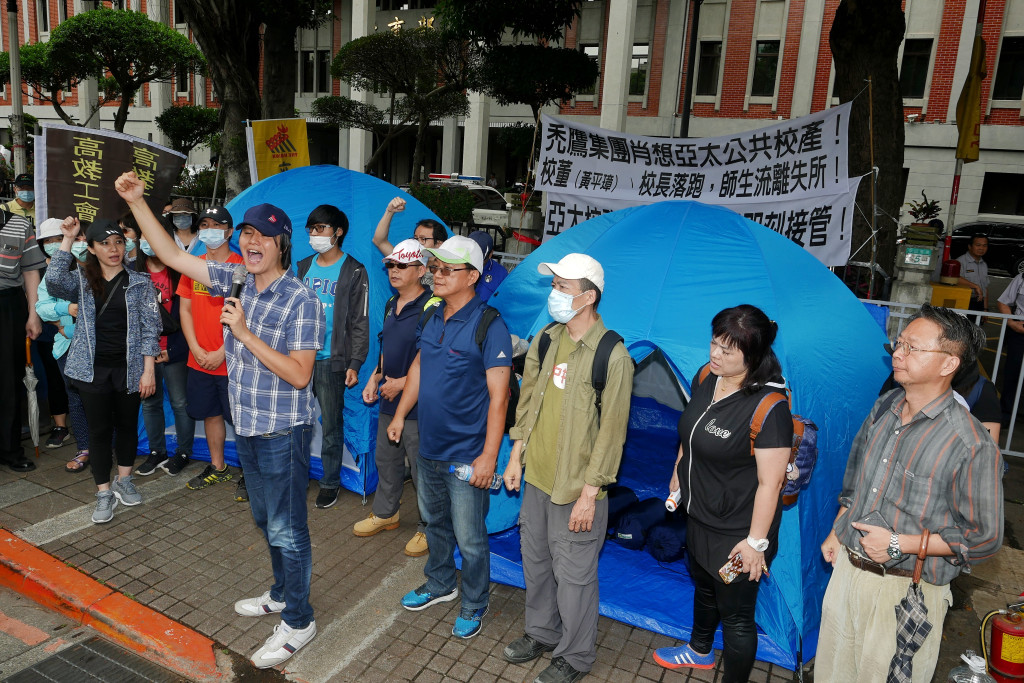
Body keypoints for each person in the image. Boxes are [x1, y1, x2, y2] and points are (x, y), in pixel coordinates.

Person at [116, 171, 324, 668]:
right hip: (247, 428)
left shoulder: (302, 299)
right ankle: (280, 593)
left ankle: (299, 619)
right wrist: (139, 202)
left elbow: (299, 374)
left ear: (282, 245)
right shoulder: (234, 279)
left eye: (262, 236)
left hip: (283, 430)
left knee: (287, 528)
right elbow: (170, 255)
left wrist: (246, 334)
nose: (251, 243)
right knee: (263, 519)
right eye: (246, 234)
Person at [816, 305, 1003, 683]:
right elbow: (856, 480)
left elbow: (985, 538)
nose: (897, 353)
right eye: (898, 343)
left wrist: (903, 543)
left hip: (905, 592)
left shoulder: (970, 443)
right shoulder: (885, 406)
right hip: (847, 574)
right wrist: (838, 528)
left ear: (948, 363)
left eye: (912, 347)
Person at [501, 253, 633, 683]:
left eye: (563, 288)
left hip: (577, 488)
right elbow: (529, 401)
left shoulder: (612, 356)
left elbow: (612, 434)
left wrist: (590, 496)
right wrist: (515, 455)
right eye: (554, 285)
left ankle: (575, 655)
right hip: (537, 476)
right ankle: (541, 632)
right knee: (535, 560)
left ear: (588, 297)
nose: (555, 294)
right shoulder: (546, 338)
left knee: (574, 575)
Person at [652, 305, 792, 682]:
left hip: (739, 532)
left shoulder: (768, 407)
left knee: (737, 616)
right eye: (714, 342)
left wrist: (756, 543)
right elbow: (691, 430)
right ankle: (699, 652)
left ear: (754, 355)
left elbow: (771, 483)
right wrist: (678, 472)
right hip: (699, 516)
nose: (715, 354)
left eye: (728, 350)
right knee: (704, 585)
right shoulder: (706, 376)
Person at [387, 235, 512, 640]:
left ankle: (475, 602)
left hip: (467, 455)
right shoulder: (431, 314)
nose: (436, 275)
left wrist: (489, 457)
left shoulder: (490, 324)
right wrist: (402, 415)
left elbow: (500, 396)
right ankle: (440, 584)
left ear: (472, 276)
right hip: (429, 446)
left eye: (446, 269)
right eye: (435, 268)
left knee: (471, 538)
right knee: (433, 522)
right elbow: (420, 367)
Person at [45, 217, 160, 523]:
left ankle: (124, 480)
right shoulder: (81, 281)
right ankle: (103, 492)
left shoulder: (140, 282)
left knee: (126, 426)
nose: (113, 249)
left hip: (129, 368)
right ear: (92, 248)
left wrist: (148, 370)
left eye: (119, 242)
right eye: (105, 243)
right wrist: (68, 240)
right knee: (98, 432)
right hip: (91, 370)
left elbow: (151, 329)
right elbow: (54, 280)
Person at [358, 239, 434, 556]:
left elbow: (434, 358)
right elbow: (386, 347)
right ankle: (386, 513)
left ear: (421, 270)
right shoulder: (392, 303)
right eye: (391, 265)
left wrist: (403, 383)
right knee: (386, 461)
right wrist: (375, 377)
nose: (394, 270)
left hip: (419, 406)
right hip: (389, 398)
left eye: (402, 265)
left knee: (422, 471)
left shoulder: (433, 308)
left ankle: (429, 528)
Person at [296, 205, 369, 509]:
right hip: (299, 356)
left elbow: (360, 321)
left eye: (322, 228)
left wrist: (354, 363)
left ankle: (329, 482)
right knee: (295, 422)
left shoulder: (354, 270)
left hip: (330, 360)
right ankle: (296, 476)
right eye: (312, 229)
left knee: (331, 425)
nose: (315, 235)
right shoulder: (301, 267)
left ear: (338, 232)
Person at [175, 206, 243, 492]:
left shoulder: (244, 267)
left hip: (235, 360)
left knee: (241, 420)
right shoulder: (193, 265)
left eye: (217, 225)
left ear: (229, 231)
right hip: (199, 359)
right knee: (211, 414)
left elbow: (249, 317)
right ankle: (218, 467)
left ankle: (251, 475)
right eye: (204, 224)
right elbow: (186, 309)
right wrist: (195, 348)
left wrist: (222, 352)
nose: (210, 230)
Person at [132, 217, 196, 478]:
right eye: (144, 237)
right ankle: (156, 451)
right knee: (149, 403)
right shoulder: (133, 273)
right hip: (145, 352)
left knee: (181, 403)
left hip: (174, 350)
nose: (148, 242)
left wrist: (176, 349)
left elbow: (188, 316)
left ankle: (183, 452)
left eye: (153, 236)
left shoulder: (180, 272)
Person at [35, 218, 92, 472]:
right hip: (65, 348)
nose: (76, 244)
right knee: (76, 399)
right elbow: (42, 306)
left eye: (81, 239)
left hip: (99, 347)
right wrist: (65, 309)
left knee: (103, 398)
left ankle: (111, 445)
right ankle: (85, 448)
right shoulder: (55, 274)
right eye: (48, 242)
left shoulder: (102, 270)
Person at [0, 199, 44, 473]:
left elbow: (30, 272)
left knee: (8, 382)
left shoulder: (19, 224)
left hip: (8, 306)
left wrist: (33, 314)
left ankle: (10, 449)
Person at [372, 197, 447, 288]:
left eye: (423, 239)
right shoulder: (405, 259)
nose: (418, 243)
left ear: (439, 244)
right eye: (415, 238)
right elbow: (379, 241)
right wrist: (389, 211)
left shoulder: (447, 273)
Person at [997, 272, 1024, 418]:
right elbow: (1003, 302)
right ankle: (1006, 414)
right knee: (1012, 373)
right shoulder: (1021, 278)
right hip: (1020, 333)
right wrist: (1011, 323)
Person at [467, 231, 508, 303]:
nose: (474, 263)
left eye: (479, 259)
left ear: (490, 254)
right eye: (470, 258)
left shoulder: (500, 274)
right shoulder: (455, 266)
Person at [956, 234, 989, 313]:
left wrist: (985, 308)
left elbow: (985, 288)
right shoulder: (960, 262)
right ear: (970, 246)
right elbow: (955, 278)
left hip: (979, 304)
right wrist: (975, 286)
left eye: (984, 245)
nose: (981, 248)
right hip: (963, 302)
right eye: (978, 245)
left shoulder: (983, 264)